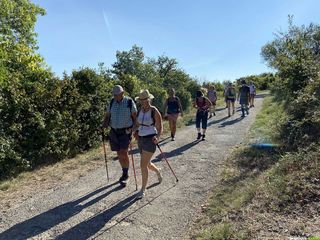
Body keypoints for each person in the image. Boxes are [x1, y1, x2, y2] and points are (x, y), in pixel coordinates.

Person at [101, 85, 137, 187]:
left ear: (122, 93)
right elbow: (107, 115)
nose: (116, 96)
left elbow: (135, 117)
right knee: (119, 153)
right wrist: (104, 124)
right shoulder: (112, 102)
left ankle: (125, 174)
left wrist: (134, 129)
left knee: (123, 152)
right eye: (114, 94)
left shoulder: (129, 102)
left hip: (125, 131)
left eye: (117, 94)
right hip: (114, 131)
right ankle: (124, 170)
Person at [133, 89, 163, 199]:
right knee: (148, 164)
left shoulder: (154, 111)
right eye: (140, 100)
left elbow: (160, 127)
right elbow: (137, 124)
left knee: (142, 165)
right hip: (141, 139)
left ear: (148, 99)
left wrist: (158, 137)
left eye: (144, 99)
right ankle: (158, 171)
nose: (142, 101)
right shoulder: (140, 111)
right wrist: (132, 130)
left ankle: (143, 190)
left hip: (150, 140)